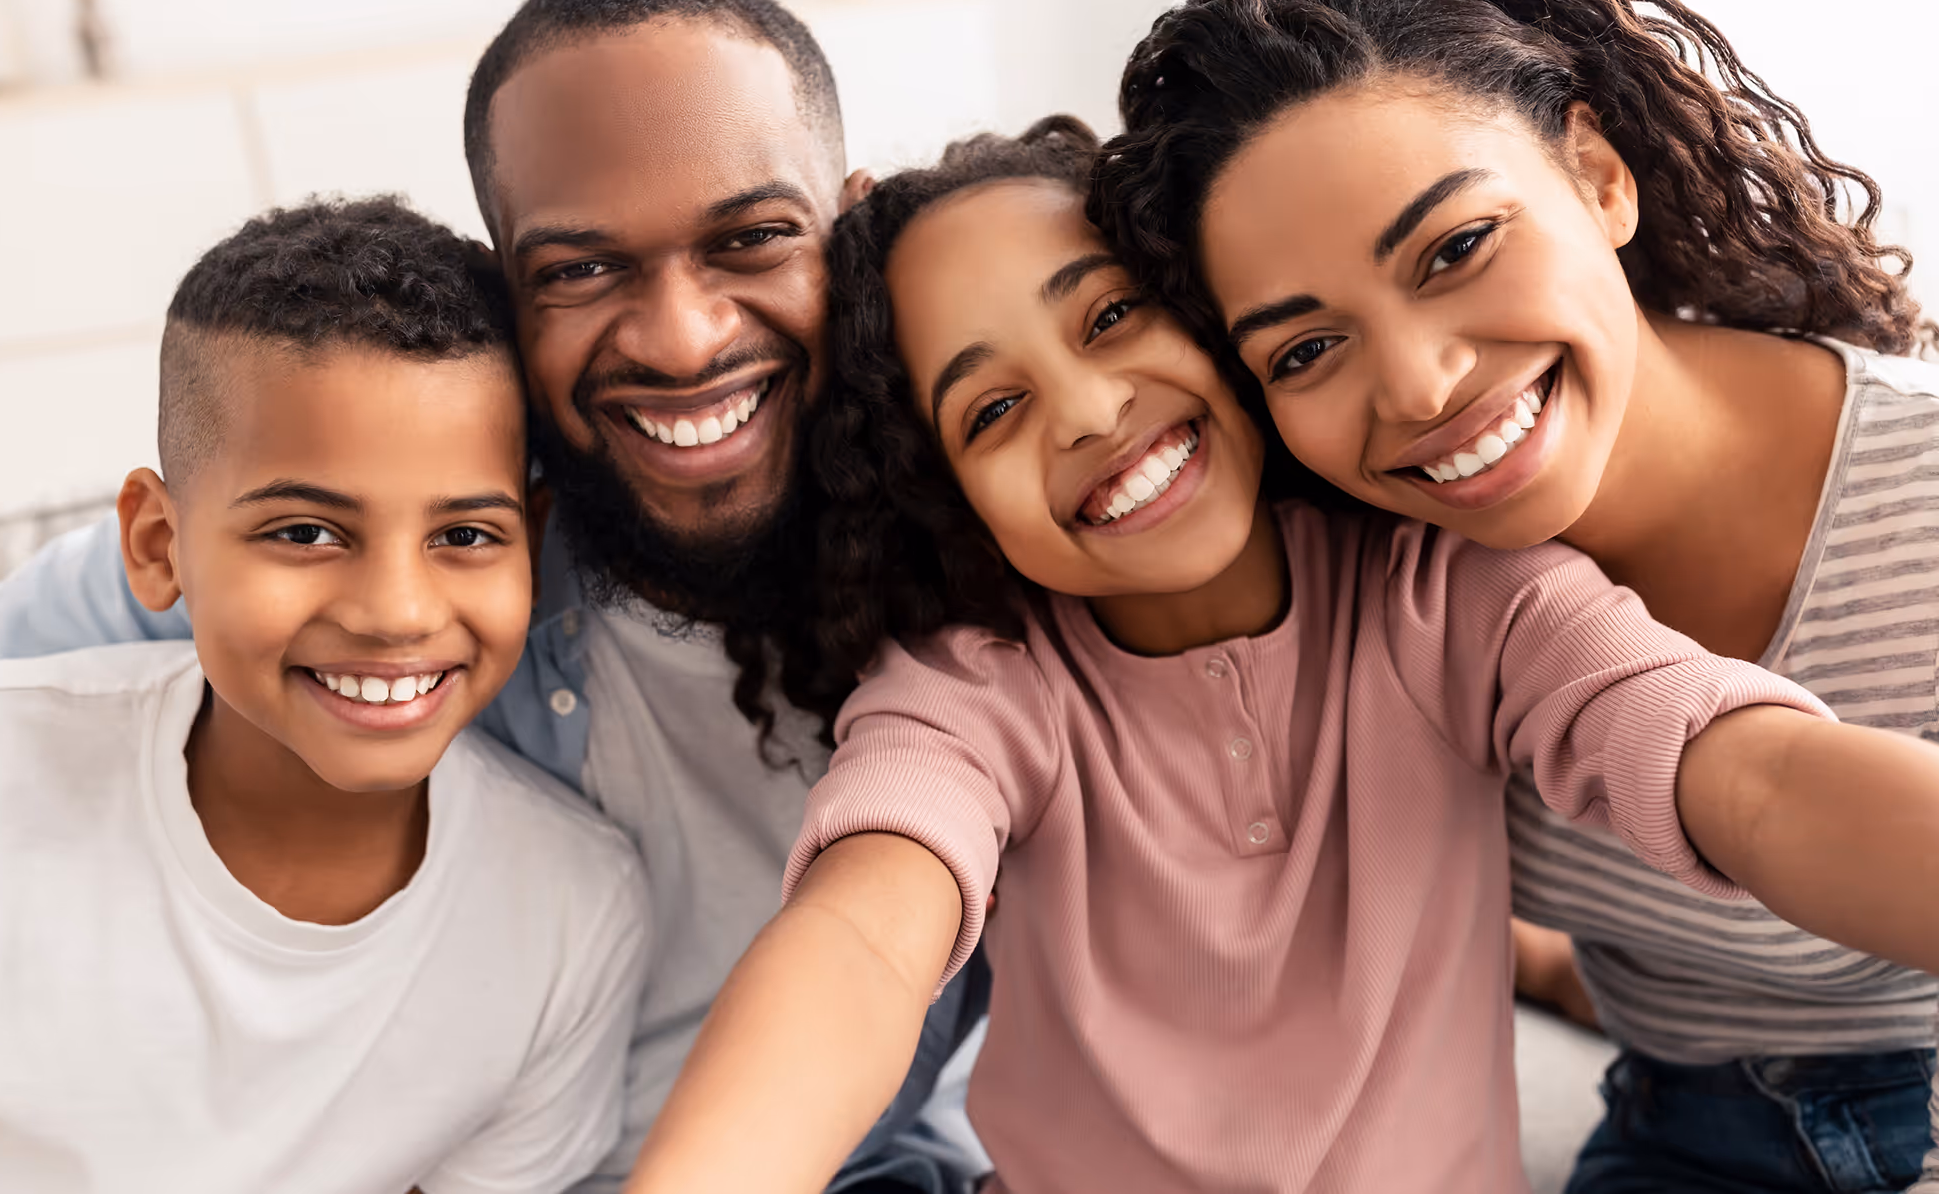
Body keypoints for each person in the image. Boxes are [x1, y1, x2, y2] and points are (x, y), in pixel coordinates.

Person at [619, 119, 1939, 1194]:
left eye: (1109, 319)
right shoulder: (979, 687)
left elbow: (1744, 773)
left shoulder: (1450, 592)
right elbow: (862, 939)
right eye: (995, 408)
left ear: (1221, 323)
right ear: (947, 492)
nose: (1089, 413)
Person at [0, 0, 983, 1193]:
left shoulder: (989, 557)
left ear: (847, 228)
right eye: (582, 269)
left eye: (752, 238)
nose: (682, 338)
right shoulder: (406, 522)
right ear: (507, 291)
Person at [1092, 0, 1939, 1193]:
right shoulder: (1389, 581)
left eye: (1453, 249)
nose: (1421, 383)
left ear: (1597, 176)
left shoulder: (1916, 492)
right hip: (1675, 1132)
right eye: (1304, 350)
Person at [0, 197, 649, 1193]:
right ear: (156, 544)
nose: (397, 612)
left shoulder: (573, 911)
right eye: (306, 533)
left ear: (530, 540)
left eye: (464, 535)